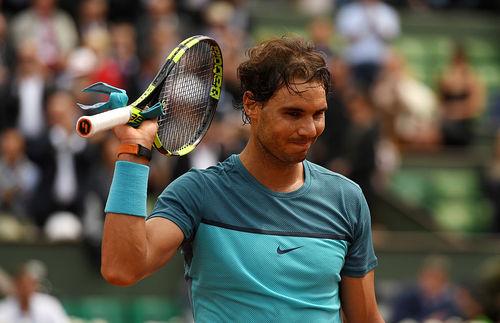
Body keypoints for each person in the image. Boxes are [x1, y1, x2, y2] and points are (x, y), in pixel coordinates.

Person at [100, 37, 384, 322]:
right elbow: (122, 267)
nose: (309, 129)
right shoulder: (198, 192)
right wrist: (133, 151)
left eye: (318, 114)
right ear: (251, 105)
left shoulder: (346, 199)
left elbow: (365, 318)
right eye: (293, 113)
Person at [0, 260, 70, 323]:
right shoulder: (4, 308)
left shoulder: (50, 305)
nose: (26, 289)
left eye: (29, 284)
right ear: (16, 284)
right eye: (22, 285)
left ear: (35, 285)